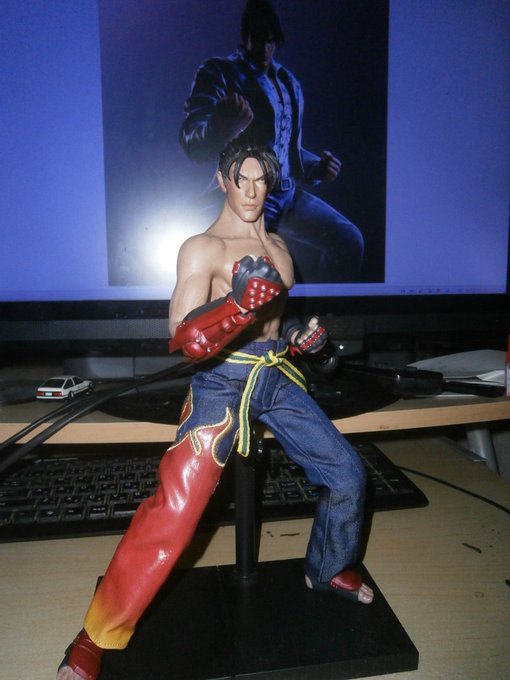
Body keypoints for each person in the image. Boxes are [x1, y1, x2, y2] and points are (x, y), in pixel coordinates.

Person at [56, 141, 372, 680]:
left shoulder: (280, 248)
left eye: (260, 180)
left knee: (346, 473)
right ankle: (97, 633)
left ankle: (326, 567)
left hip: (274, 376)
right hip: (222, 385)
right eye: (240, 179)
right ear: (223, 180)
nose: (251, 191)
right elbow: (182, 338)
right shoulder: (202, 248)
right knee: (174, 514)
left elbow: (278, 325)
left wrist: (303, 338)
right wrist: (236, 305)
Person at [179, 0, 364, 283]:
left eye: (270, 40)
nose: (264, 48)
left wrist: (317, 167)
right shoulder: (220, 72)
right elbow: (192, 143)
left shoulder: (288, 80)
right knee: (254, 275)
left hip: (288, 194)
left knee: (349, 240)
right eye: (258, 38)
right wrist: (221, 128)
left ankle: (327, 304)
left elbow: (288, 147)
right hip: (248, 195)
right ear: (245, 36)